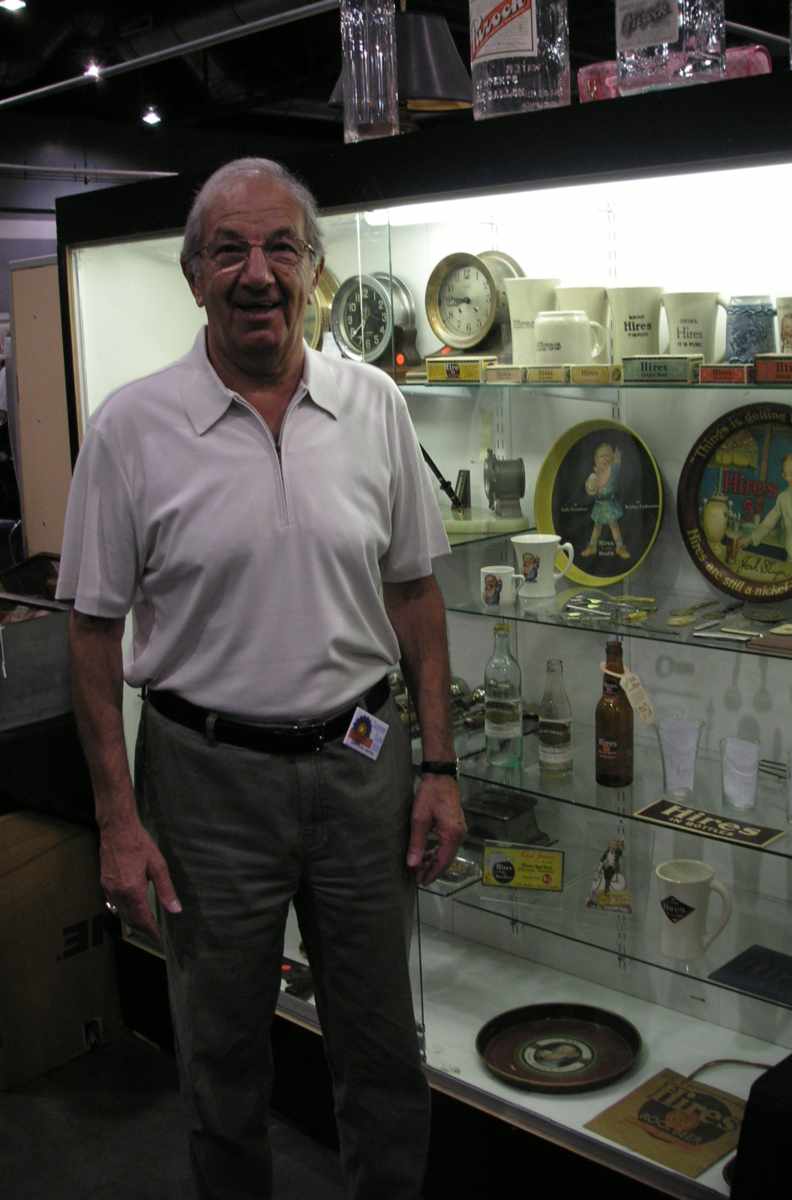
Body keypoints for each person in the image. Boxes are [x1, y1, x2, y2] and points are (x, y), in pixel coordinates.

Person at [56, 157, 467, 1200]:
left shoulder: (373, 405)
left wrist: (440, 767)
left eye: (282, 247)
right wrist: (116, 820)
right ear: (193, 276)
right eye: (229, 250)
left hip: (363, 771)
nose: (257, 272)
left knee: (384, 1053)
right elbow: (93, 637)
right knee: (223, 1062)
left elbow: (415, 596)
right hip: (204, 789)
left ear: (314, 272)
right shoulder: (130, 429)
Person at [581, 442, 629, 559]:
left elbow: (617, 464)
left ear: (612, 458)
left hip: (609, 505)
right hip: (599, 505)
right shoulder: (595, 475)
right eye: (602, 456)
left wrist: (618, 457)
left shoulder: (613, 472)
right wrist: (591, 485)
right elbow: (590, 490)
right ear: (596, 459)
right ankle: (592, 547)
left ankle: (620, 547)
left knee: (614, 526)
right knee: (597, 527)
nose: (605, 458)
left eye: (608, 456)